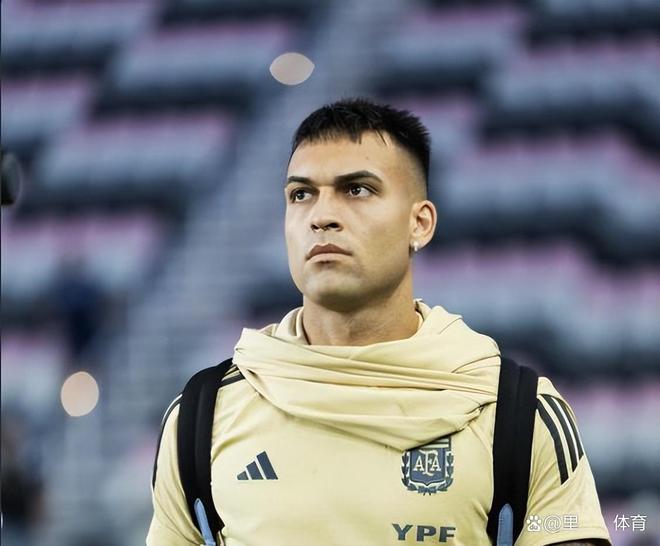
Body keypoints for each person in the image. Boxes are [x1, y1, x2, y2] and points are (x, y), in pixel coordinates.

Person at [146, 98, 612, 545]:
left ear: (420, 223)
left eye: (357, 190)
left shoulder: (519, 413)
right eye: (301, 194)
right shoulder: (200, 417)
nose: (321, 217)